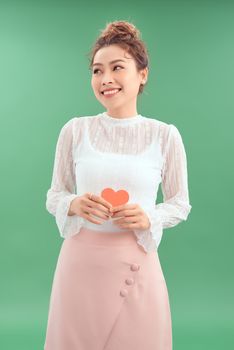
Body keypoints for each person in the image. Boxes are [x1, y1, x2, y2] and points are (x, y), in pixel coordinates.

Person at [43, 20, 192, 350]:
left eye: (116, 68)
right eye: (97, 71)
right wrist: (73, 204)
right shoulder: (74, 131)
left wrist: (150, 217)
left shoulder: (164, 135)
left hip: (136, 266)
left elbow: (180, 202)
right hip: (79, 268)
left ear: (142, 74)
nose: (105, 79)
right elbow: (54, 195)